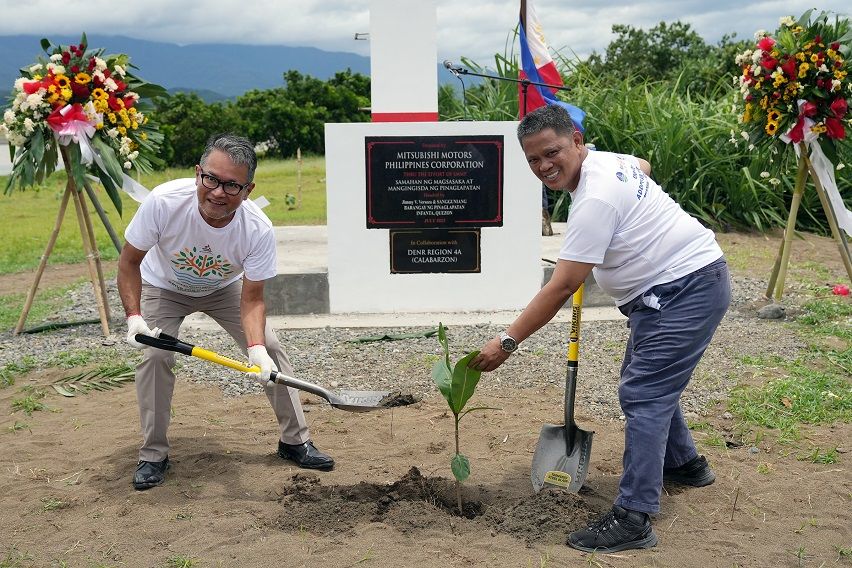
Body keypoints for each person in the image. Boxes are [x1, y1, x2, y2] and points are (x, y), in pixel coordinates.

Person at [470, 104, 730, 553]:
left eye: (551, 152)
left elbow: (563, 285)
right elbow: (643, 166)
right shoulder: (609, 161)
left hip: (683, 289)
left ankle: (634, 518)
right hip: (677, 286)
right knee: (649, 380)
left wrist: (506, 342)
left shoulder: (595, 198)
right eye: (533, 160)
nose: (544, 166)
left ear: (575, 140)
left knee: (644, 392)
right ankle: (684, 464)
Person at [117, 133, 334, 491]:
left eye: (231, 185)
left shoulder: (257, 229)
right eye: (211, 179)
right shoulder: (164, 202)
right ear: (198, 173)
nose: (218, 192)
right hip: (163, 286)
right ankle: (153, 454)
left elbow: (252, 298)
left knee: (272, 349)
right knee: (155, 357)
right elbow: (129, 263)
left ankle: (295, 441)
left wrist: (256, 350)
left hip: (223, 290)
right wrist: (133, 317)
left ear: (248, 190)